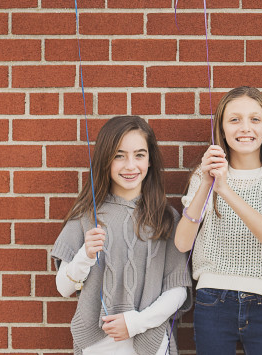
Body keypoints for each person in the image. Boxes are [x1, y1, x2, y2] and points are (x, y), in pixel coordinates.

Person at [51, 116, 192, 355]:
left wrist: (135, 323)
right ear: (105, 159)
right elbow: (63, 287)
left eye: (139, 155)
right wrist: (84, 256)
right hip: (98, 345)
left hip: (149, 341)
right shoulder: (85, 215)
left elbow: (178, 292)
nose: (130, 165)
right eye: (119, 155)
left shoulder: (166, 218)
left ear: (149, 160)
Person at [175, 86, 262, 354]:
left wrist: (225, 190)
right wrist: (207, 183)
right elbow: (183, 243)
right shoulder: (204, 175)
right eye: (234, 119)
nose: (245, 128)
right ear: (221, 128)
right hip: (212, 299)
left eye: (254, 119)